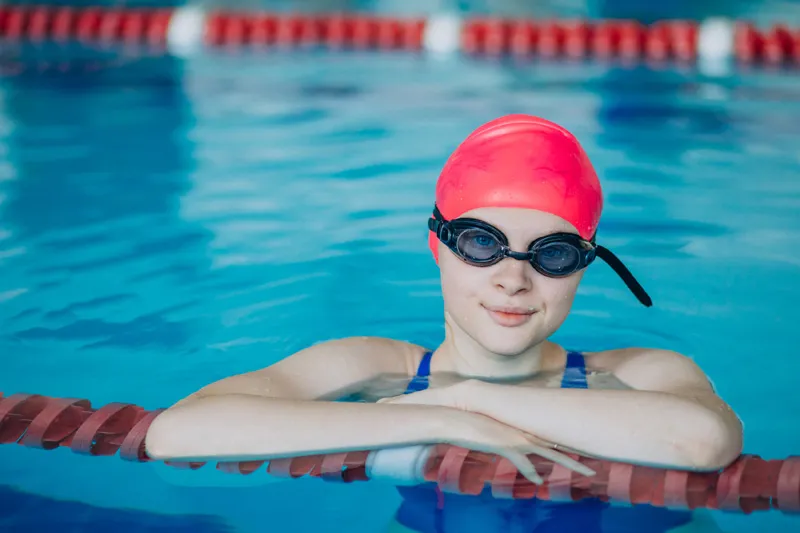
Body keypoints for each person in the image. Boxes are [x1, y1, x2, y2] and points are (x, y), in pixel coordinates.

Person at [144, 115, 743, 526]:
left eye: (553, 254)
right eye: (483, 244)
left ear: (584, 267)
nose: (514, 280)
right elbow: (177, 433)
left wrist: (467, 401)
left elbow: (705, 441)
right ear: (437, 246)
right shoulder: (373, 366)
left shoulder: (642, 370)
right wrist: (434, 415)